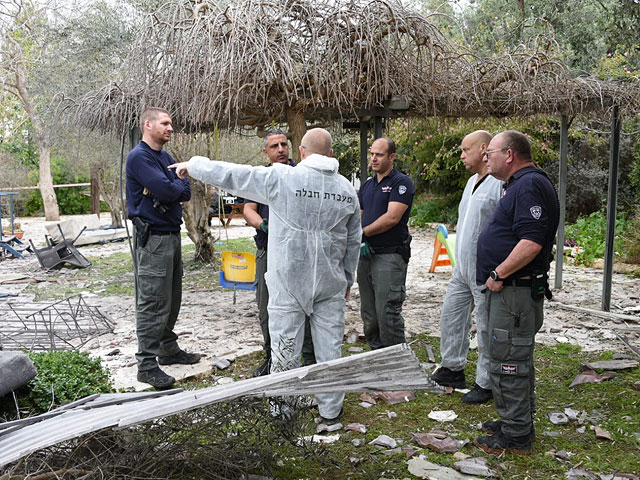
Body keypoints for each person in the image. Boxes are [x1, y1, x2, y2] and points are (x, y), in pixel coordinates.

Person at [169, 128, 361, 422]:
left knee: (285, 347)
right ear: (332, 154)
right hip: (330, 282)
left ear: (302, 151)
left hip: (288, 280)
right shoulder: (346, 189)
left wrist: (194, 166)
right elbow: (352, 240)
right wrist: (348, 279)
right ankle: (331, 411)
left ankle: (282, 410)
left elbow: (236, 175)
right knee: (329, 351)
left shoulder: (283, 178)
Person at [474, 130, 559, 455]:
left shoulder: (528, 185)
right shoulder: (521, 184)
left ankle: (517, 435)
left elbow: (531, 242)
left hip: (514, 291)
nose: (486, 157)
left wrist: (498, 273)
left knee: (509, 360)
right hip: (513, 290)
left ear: (509, 154)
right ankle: (515, 420)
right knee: (512, 357)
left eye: (491, 152)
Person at [126, 107, 201, 389]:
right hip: (153, 237)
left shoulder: (164, 156)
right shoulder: (139, 157)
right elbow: (173, 191)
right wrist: (177, 184)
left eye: (171, 124)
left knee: (171, 298)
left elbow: (185, 190)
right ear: (148, 125)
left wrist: (177, 185)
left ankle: (168, 349)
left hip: (171, 234)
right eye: (165, 123)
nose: (170, 128)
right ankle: (146, 365)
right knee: (153, 303)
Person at [430, 131, 503, 404]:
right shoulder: (472, 182)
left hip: (485, 269)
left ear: (484, 149)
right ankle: (452, 367)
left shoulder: (499, 184)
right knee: (451, 316)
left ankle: (486, 382)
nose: (461, 155)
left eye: (465, 149)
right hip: (462, 268)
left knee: (485, 326)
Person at [243, 129, 316, 377]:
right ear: (266, 151)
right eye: (274, 146)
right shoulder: (262, 176)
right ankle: (271, 356)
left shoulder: (302, 175)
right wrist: (261, 223)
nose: (281, 149)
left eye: (284, 144)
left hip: (298, 254)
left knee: (304, 306)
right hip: (267, 251)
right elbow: (248, 210)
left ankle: (309, 359)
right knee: (266, 307)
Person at [357, 137, 415, 350]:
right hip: (365, 255)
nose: (374, 158)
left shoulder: (401, 183)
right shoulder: (367, 185)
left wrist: (362, 234)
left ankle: (397, 361)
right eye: (372, 153)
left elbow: (392, 218)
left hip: (389, 255)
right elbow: (359, 217)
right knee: (369, 315)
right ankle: (377, 356)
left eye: (379, 154)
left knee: (387, 313)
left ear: (392, 156)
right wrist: (359, 238)